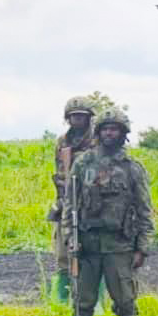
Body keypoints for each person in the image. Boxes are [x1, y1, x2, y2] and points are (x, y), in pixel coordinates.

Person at [62, 107, 153, 316]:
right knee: (84, 300)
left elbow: (145, 210)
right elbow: (70, 203)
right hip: (88, 243)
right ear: (98, 132)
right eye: (105, 129)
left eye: (115, 129)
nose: (110, 133)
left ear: (123, 133)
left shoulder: (133, 168)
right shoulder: (83, 163)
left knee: (125, 300)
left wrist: (142, 248)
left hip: (120, 245)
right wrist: (70, 237)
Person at [47, 96, 97, 301]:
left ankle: (94, 299)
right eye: (73, 116)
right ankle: (60, 299)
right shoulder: (62, 142)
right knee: (62, 252)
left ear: (89, 118)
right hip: (66, 202)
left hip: (92, 204)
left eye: (81, 116)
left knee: (93, 254)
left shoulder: (98, 141)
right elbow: (58, 172)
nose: (77, 120)